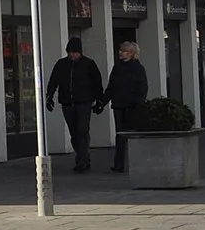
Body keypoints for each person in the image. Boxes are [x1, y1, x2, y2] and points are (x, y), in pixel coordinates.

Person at [44, 37, 106, 173]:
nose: (72, 55)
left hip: (84, 102)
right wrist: (49, 97)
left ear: (80, 52)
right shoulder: (61, 64)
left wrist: (99, 100)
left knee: (82, 130)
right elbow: (53, 81)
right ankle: (83, 155)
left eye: (75, 52)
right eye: (70, 52)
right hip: (67, 102)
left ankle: (82, 161)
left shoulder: (89, 64)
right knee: (74, 133)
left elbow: (97, 83)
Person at [103, 40, 150, 173]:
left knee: (133, 134)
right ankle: (119, 164)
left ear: (131, 53)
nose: (120, 53)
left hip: (132, 106)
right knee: (120, 135)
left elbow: (142, 87)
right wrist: (103, 102)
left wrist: (138, 104)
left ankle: (136, 162)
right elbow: (111, 86)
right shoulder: (117, 67)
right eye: (120, 50)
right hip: (118, 105)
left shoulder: (138, 68)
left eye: (124, 51)